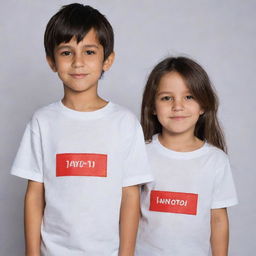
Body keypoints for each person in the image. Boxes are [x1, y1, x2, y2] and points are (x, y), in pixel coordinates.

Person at [11, 3, 153, 256]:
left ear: (107, 60)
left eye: (89, 52)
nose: (78, 63)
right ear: (51, 61)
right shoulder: (42, 122)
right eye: (66, 53)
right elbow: (34, 195)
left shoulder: (124, 123)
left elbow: (131, 197)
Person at [136, 57, 238, 256]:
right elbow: (127, 211)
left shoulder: (216, 161)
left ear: (203, 105)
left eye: (189, 97)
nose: (178, 106)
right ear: (153, 107)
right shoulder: (141, 152)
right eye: (167, 98)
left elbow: (218, 220)